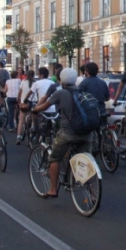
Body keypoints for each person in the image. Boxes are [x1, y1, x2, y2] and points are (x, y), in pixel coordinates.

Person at [32, 68, 93, 197]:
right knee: (84, 160)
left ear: (62, 80)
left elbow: (44, 106)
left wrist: (35, 110)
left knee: (55, 157)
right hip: (87, 133)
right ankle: (92, 192)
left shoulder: (61, 93)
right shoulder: (83, 91)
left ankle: (53, 189)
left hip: (68, 133)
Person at [80, 62, 110, 152]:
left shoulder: (84, 83)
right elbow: (107, 97)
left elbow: (78, 96)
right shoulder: (102, 83)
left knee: (87, 131)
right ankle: (107, 145)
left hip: (90, 113)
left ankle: (91, 149)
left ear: (87, 72)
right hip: (102, 111)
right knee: (103, 128)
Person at [24, 67, 55, 135]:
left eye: (38, 74)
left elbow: (30, 92)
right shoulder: (52, 82)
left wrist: (25, 99)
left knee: (34, 113)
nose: (38, 76)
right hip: (54, 108)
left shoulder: (37, 83)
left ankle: (35, 128)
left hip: (43, 106)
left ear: (42, 75)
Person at [16, 70, 35, 145]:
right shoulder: (35, 83)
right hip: (33, 103)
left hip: (24, 103)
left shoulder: (23, 82)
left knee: (21, 120)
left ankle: (18, 137)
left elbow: (20, 92)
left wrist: (18, 99)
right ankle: (31, 135)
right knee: (33, 119)